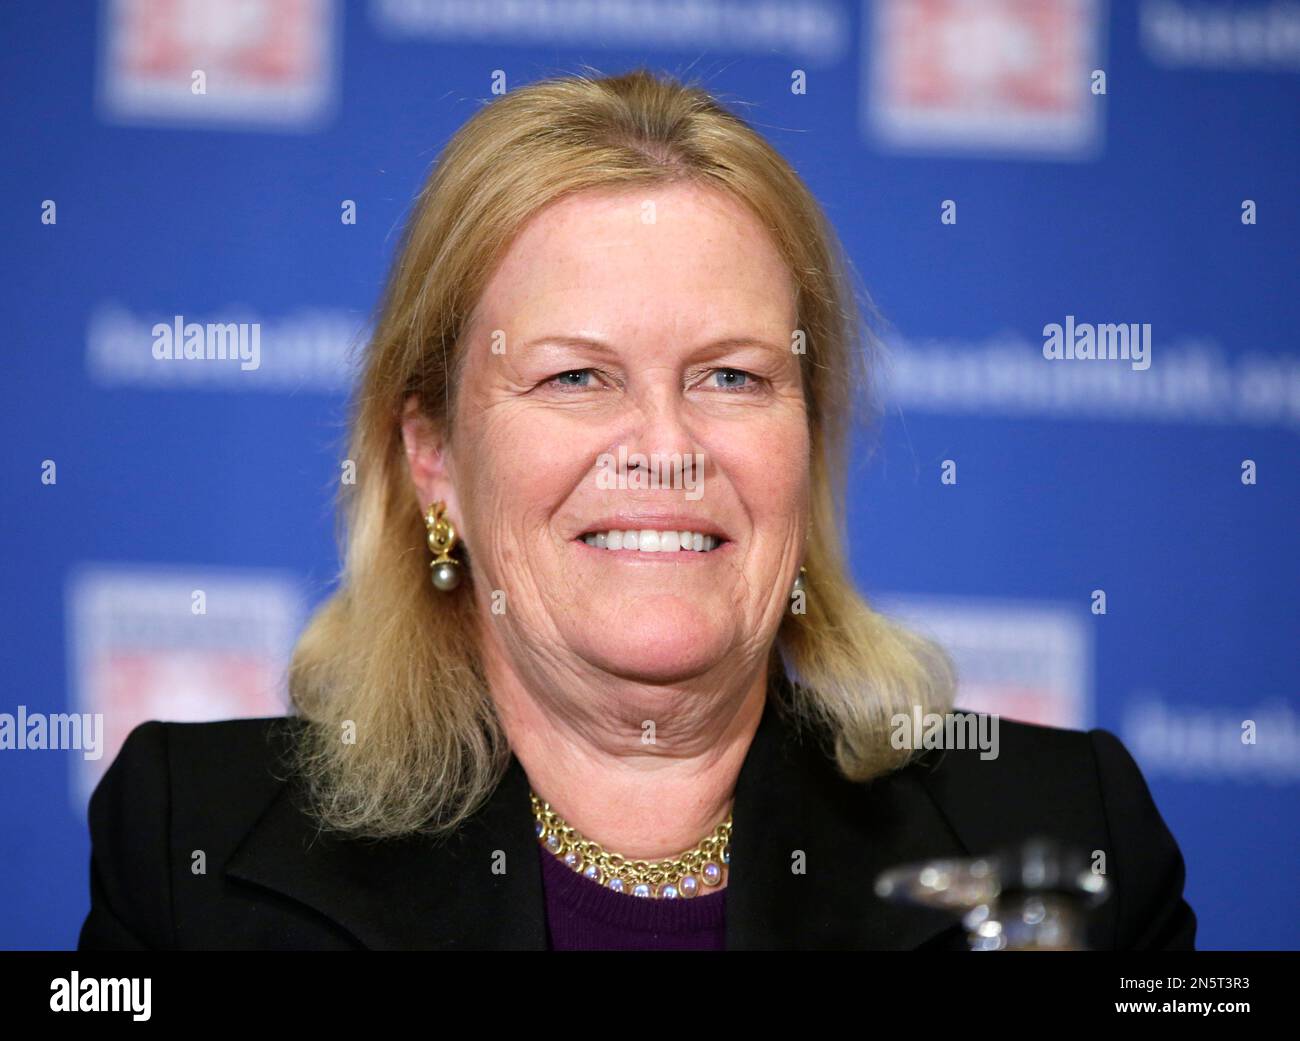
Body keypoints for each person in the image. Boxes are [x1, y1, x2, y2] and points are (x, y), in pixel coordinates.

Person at [78, 68, 1195, 951]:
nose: (666, 451)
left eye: (733, 378)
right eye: (575, 377)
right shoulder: (197, 843)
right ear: (433, 459)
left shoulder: (1062, 834)